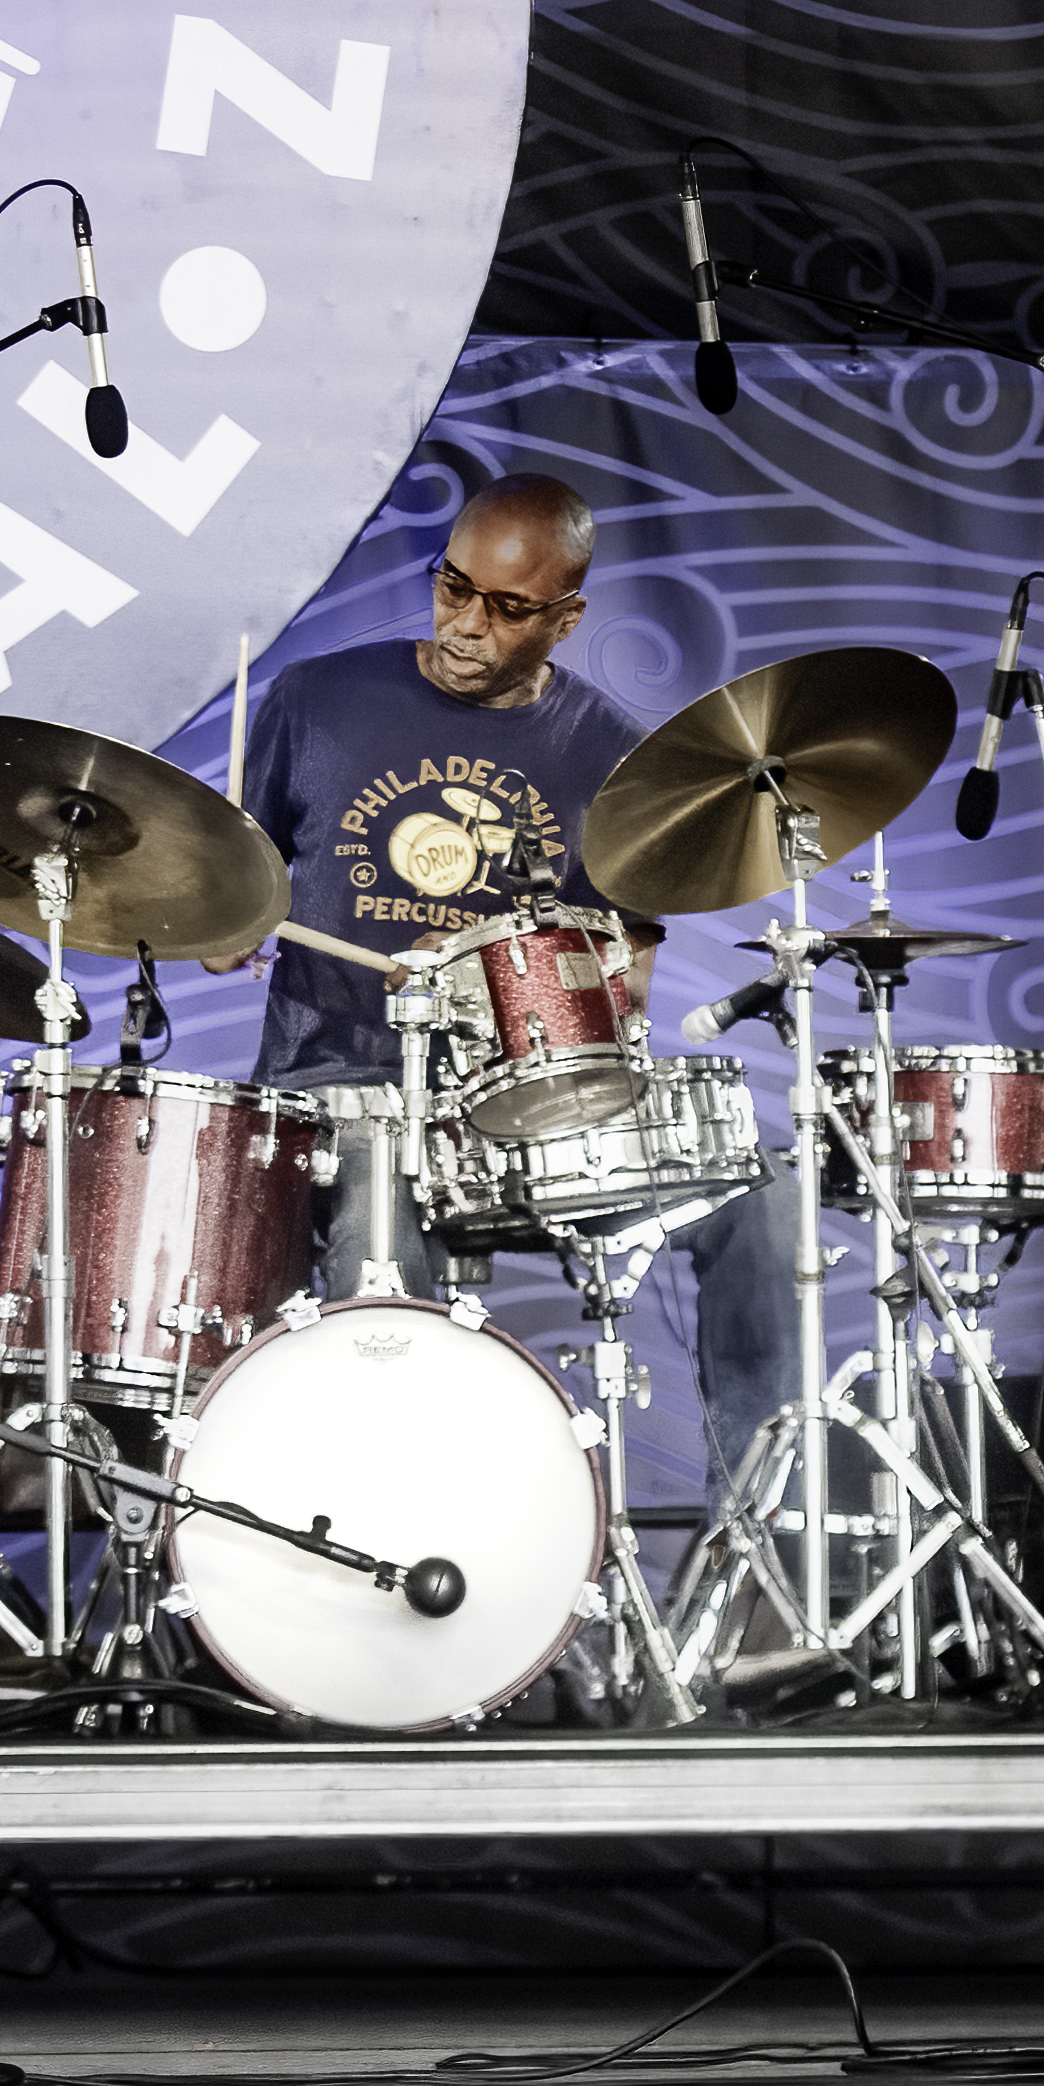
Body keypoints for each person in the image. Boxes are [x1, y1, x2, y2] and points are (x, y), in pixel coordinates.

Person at [214, 474, 794, 1485]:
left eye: (508, 607)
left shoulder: (615, 757)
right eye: (452, 587)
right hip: (341, 1085)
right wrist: (218, 923)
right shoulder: (314, 697)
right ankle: (406, 1535)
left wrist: (603, 1001)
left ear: (565, 619)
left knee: (763, 1202)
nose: (465, 624)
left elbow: (626, 976)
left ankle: (757, 1539)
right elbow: (223, 893)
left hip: (525, 1106)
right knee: (377, 1218)